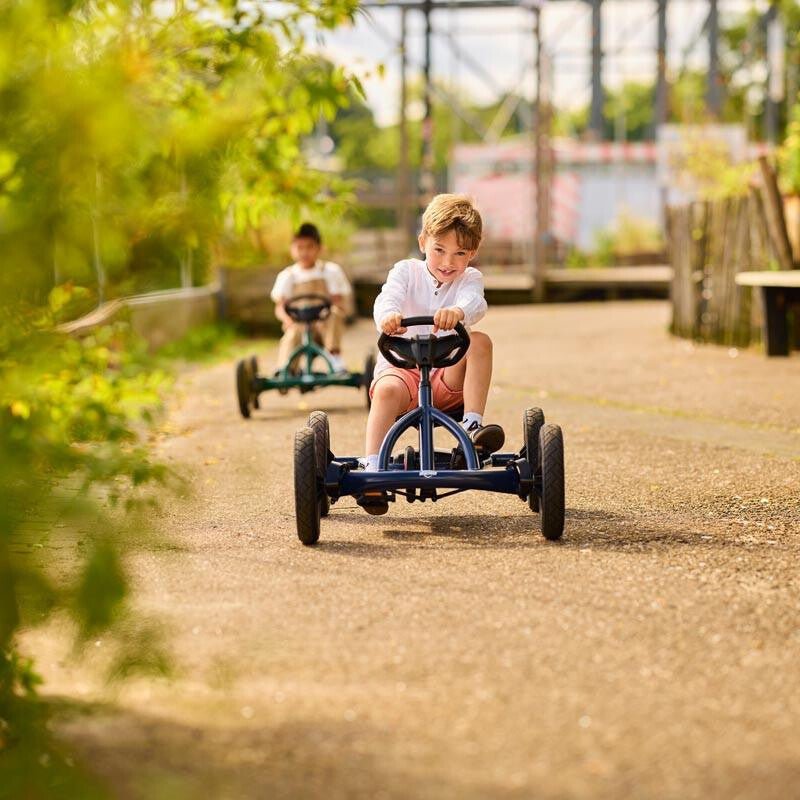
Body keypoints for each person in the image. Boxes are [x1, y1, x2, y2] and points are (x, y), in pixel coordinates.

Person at [358, 194, 505, 515]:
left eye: (459, 253)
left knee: (479, 341)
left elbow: (475, 303)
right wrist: (388, 317)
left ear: (473, 253)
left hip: (446, 376)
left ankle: (472, 426)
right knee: (384, 390)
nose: (448, 262)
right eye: (439, 250)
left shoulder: (470, 279)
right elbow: (387, 298)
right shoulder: (406, 271)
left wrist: (458, 311)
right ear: (423, 242)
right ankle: (372, 470)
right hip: (404, 372)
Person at [270, 223, 352, 374]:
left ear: (319, 248)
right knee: (292, 333)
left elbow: (337, 301)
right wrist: (287, 320)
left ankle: (335, 361)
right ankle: (285, 369)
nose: (304, 252)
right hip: (299, 324)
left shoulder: (329, 271)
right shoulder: (288, 275)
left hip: (323, 324)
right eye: (299, 247)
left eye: (309, 247)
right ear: (292, 249)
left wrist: (326, 313)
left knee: (334, 313)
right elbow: (280, 306)